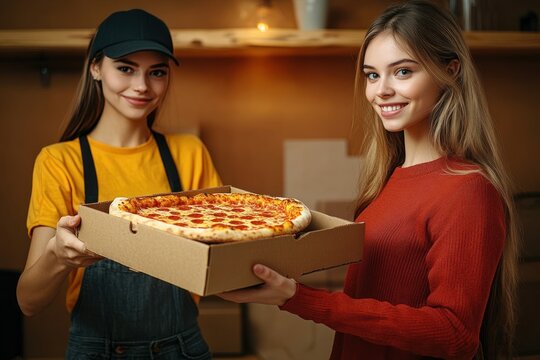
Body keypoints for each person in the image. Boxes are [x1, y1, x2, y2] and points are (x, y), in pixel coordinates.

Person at [219, 1, 519, 359]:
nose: (381, 91)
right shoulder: (388, 180)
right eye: (372, 75)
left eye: (403, 72)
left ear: (450, 71)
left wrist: (299, 298)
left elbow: (454, 334)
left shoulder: (468, 190)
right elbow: (375, 299)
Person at [17, 9, 221, 359]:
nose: (142, 86)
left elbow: (219, 262)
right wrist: (58, 256)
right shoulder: (59, 161)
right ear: (96, 68)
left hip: (183, 348)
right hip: (97, 351)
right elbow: (28, 302)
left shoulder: (189, 153)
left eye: (157, 72)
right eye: (125, 68)